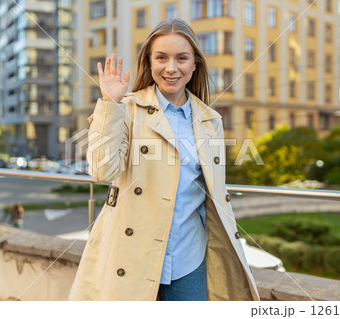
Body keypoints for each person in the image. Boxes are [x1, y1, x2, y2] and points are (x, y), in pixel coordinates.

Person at [69, 18, 259, 301]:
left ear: (195, 64)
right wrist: (109, 103)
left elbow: (211, 196)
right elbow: (101, 170)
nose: (171, 68)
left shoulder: (211, 121)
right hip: (132, 256)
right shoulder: (128, 108)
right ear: (149, 61)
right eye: (162, 58)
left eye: (181, 58)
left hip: (188, 258)